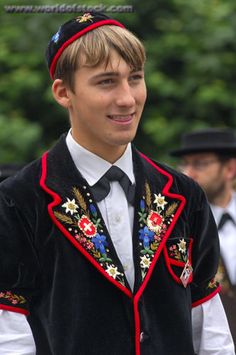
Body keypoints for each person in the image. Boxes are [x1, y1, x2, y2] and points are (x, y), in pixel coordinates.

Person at [0, 12, 234, 355]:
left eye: (135, 78)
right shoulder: (18, 201)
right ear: (64, 92)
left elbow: (210, 332)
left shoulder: (183, 195)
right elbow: (11, 337)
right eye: (106, 82)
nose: (127, 98)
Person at [170, 128, 236, 345]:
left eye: (200, 164)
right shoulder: (178, 225)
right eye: (185, 164)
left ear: (229, 169)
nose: (189, 173)